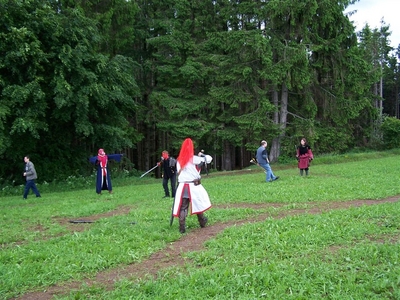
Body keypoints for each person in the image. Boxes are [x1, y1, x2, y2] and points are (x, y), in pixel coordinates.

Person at [173, 138, 211, 233]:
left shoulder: (178, 161)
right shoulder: (194, 159)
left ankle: (182, 227)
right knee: (198, 203)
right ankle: (202, 221)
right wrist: (202, 155)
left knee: (183, 207)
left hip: (183, 186)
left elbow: (179, 172)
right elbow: (209, 159)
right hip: (193, 185)